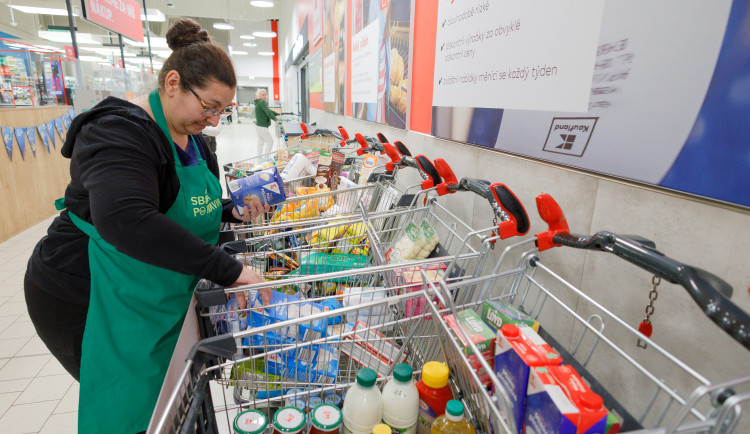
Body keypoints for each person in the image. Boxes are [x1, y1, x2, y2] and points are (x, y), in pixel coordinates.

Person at [23, 18, 270, 433]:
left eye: (222, 111)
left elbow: (180, 204)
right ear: (172, 82)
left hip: (151, 291)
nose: (213, 120)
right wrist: (232, 271)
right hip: (87, 293)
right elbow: (127, 219)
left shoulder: (195, 143)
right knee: (129, 406)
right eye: (208, 106)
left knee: (169, 400)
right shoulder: (120, 131)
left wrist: (232, 211)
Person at [253, 88, 278, 154]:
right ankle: (265, 159)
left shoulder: (258, 102)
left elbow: (268, 110)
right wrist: (275, 119)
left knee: (260, 143)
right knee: (270, 142)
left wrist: (276, 113)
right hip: (262, 127)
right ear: (259, 96)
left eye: (265, 95)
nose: (264, 96)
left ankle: (259, 160)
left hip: (258, 126)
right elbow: (268, 112)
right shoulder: (262, 102)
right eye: (263, 95)